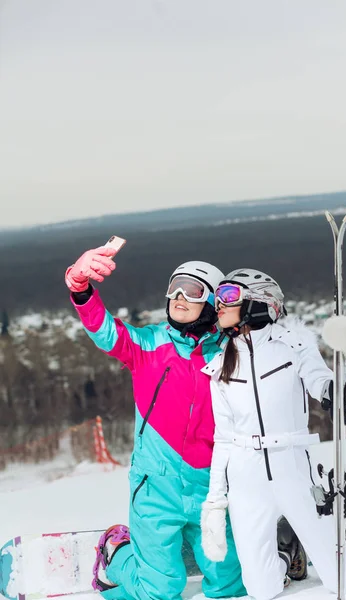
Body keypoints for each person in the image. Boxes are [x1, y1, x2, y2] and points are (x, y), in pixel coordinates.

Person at [65, 246, 247, 600]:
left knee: (230, 589)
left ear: (211, 303)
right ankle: (117, 553)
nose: (179, 296)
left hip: (213, 489)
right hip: (155, 487)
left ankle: (185, 552)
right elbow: (103, 330)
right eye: (174, 287)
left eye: (192, 290)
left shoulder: (231, 351)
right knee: (159, 592)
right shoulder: (148, 345)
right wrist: (80, 288)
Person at [200, 268, 346, 600]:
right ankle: (288, 548)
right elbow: (222, 439)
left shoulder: (294, 346)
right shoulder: (219, 367)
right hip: (245, 477)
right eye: (217, 297)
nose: (218, 304)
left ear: (259, 302)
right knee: (261, 591)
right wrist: (215, 501)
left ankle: (342, 540)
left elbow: (326, 386)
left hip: (292, 468)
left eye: (229, 296)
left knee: (344, 583)